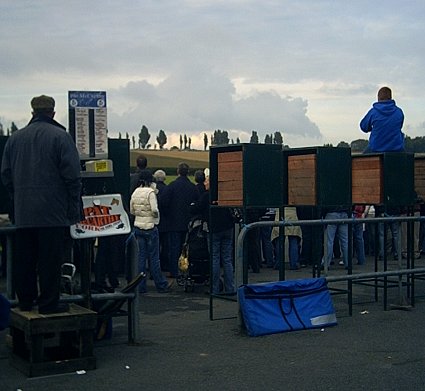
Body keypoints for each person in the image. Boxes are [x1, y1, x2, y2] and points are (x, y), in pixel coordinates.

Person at [1, 95, 82, 314]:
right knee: (50, 261)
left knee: (24, 261)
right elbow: (73, 177)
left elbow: (6, 175)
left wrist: (17, 201)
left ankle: (25, 303)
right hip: (53, 214)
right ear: (53, 113)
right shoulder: (61, 137)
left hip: (24, 213)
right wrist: (72, 208)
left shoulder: (15, 139)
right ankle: (48, 305)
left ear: (32, 113)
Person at [190, 174, 235, 295]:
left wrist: (192, 205)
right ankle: (230, 287)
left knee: (214, 258)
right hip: (228, 227)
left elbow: (196, 208)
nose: (204, 183)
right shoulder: (225, 195)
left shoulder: (206, 196)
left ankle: (214, 289)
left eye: (206, 181)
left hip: (214, 229)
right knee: (227, 259)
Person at [130, 169, 171, 293]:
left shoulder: (135, 191)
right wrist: (155, 217)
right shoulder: (151, 193)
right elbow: (154, 209)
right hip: (150, 227)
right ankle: (161, 284)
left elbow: (132, 210)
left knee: (141, 258)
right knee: (154, 258)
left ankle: (140, 286)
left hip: (138, 226)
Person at [159, 162, 198, 278]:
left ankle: (174, 272)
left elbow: (163, 202)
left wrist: (167, 215)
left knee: (174, 249)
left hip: (173, 222)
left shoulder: (171, 186)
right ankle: (186, 271)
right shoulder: (192, 187)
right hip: (189, 223)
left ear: (178, 171)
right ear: (188, 172)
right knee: (187, 249)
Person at [360, 86, 405, 153]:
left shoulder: (373, 112)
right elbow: (399, 126)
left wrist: (373, 128)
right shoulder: (399, 112)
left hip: (376, 149)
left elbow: (363, 127)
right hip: (396, 149)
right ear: (390, 97)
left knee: (360, 160)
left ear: (378, 98)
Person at [153, 169, 169, 272]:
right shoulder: (167, 189)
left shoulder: (152, 189)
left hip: (154, 221)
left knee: (155, 247)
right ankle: (164, 265)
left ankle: (154, 267)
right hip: (165, 221)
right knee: (165, 246)